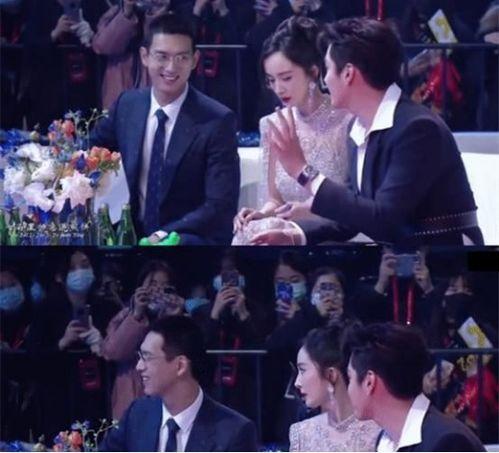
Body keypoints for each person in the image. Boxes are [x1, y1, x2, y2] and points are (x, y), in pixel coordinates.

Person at [251, 17, 483, 246]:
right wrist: (295, 235)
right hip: (398, 252)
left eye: (328, 69)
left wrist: (303, 171)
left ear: (348, 73)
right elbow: (352, 218)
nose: (325, 81)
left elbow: (385, 219)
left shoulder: (417, 129)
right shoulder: (359, 128)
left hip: (443, 254)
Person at [90, 12, 240, 245]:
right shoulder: (127, 105)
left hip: (186, 236)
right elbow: (91, 150)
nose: (171, 67)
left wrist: (163, 235)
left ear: (195, 60)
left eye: (181, 58)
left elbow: (220, 204)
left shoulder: (217, 120)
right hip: (128, 232)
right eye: (162, 56)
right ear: (145, 56)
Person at [233, 16, 351, 245]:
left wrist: (309, 212)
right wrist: (260, 214)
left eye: (286, 78)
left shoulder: (346, 121)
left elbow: (353, 204)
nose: (278, 89)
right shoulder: (272, 124)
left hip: (331, 233)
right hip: (285, 230)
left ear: (313, 72)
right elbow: (274, 200)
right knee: (250, 232)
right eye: (271, 80)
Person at [100, 315, 258, 451]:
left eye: (147, 357)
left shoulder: (234, 432)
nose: (139, 366)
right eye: (140, 357)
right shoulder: (137, 414)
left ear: (180, 366)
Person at [343, 322, 485, 451]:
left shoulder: (447, 442)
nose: (348, 390)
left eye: (350, 378)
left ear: (369, 382)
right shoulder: (385, 441)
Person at [101, 259, 182, 420]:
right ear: (140, 287)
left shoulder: (178, 318)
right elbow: (112, 352)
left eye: (164, 286)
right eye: (152, 284)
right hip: (130, 395)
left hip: (166, 397)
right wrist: (137, 314)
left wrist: (174, 319)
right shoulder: (124, 317)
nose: (157, 290)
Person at [290, 326, 380, 451]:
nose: (297, 383)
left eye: (303, 370)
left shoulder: (377, 434)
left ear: (331, 375)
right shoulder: (303, 433)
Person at [92, 0, 176, 109]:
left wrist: (157, 13)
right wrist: (127, 13)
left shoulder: (173, 14)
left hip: (156, 88)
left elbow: (161, 46)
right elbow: (102, 47)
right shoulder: (114, 13)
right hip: (119, 89)